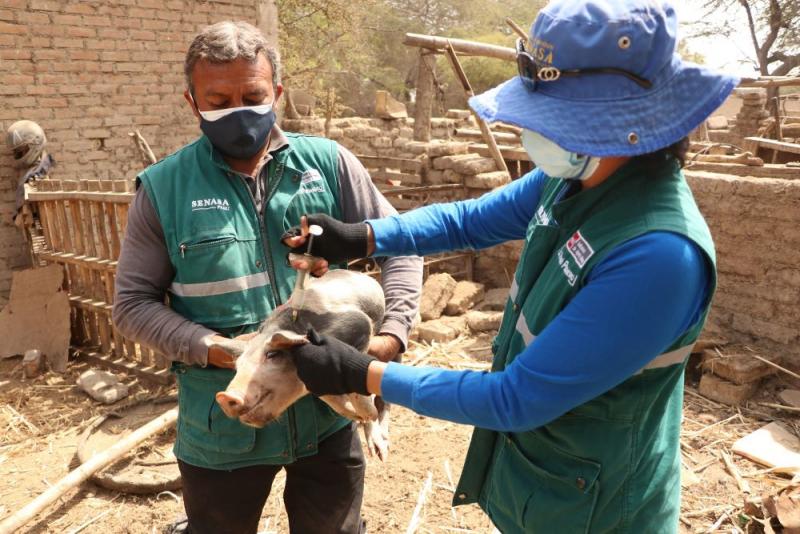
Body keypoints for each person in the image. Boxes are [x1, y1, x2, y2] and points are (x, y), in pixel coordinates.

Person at [283, 1, 739, 532]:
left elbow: (516, 397)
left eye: (555, 119)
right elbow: (471, 219)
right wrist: (364, 236)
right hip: (549, 473)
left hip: (598, 499)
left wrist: (366, 373)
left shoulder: (657, 256)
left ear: (619, 121)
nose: (538, 132)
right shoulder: (576, 176)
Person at [111, 21, 423, 534]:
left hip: (328, 415)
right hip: (224, 426)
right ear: (192, 102)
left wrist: (391, 336)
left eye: (253, 95)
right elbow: (133, 304)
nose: (239, 109)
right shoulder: (164, 189)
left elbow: (403, 247)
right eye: (219, 98)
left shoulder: (328, 164)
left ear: (277, 92)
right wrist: (220, 349)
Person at [5, 120, 54, 234]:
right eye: (18, 152)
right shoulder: (29, 172)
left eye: (23, 150)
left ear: (36, 143)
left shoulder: (39, 172)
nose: (21, 155)